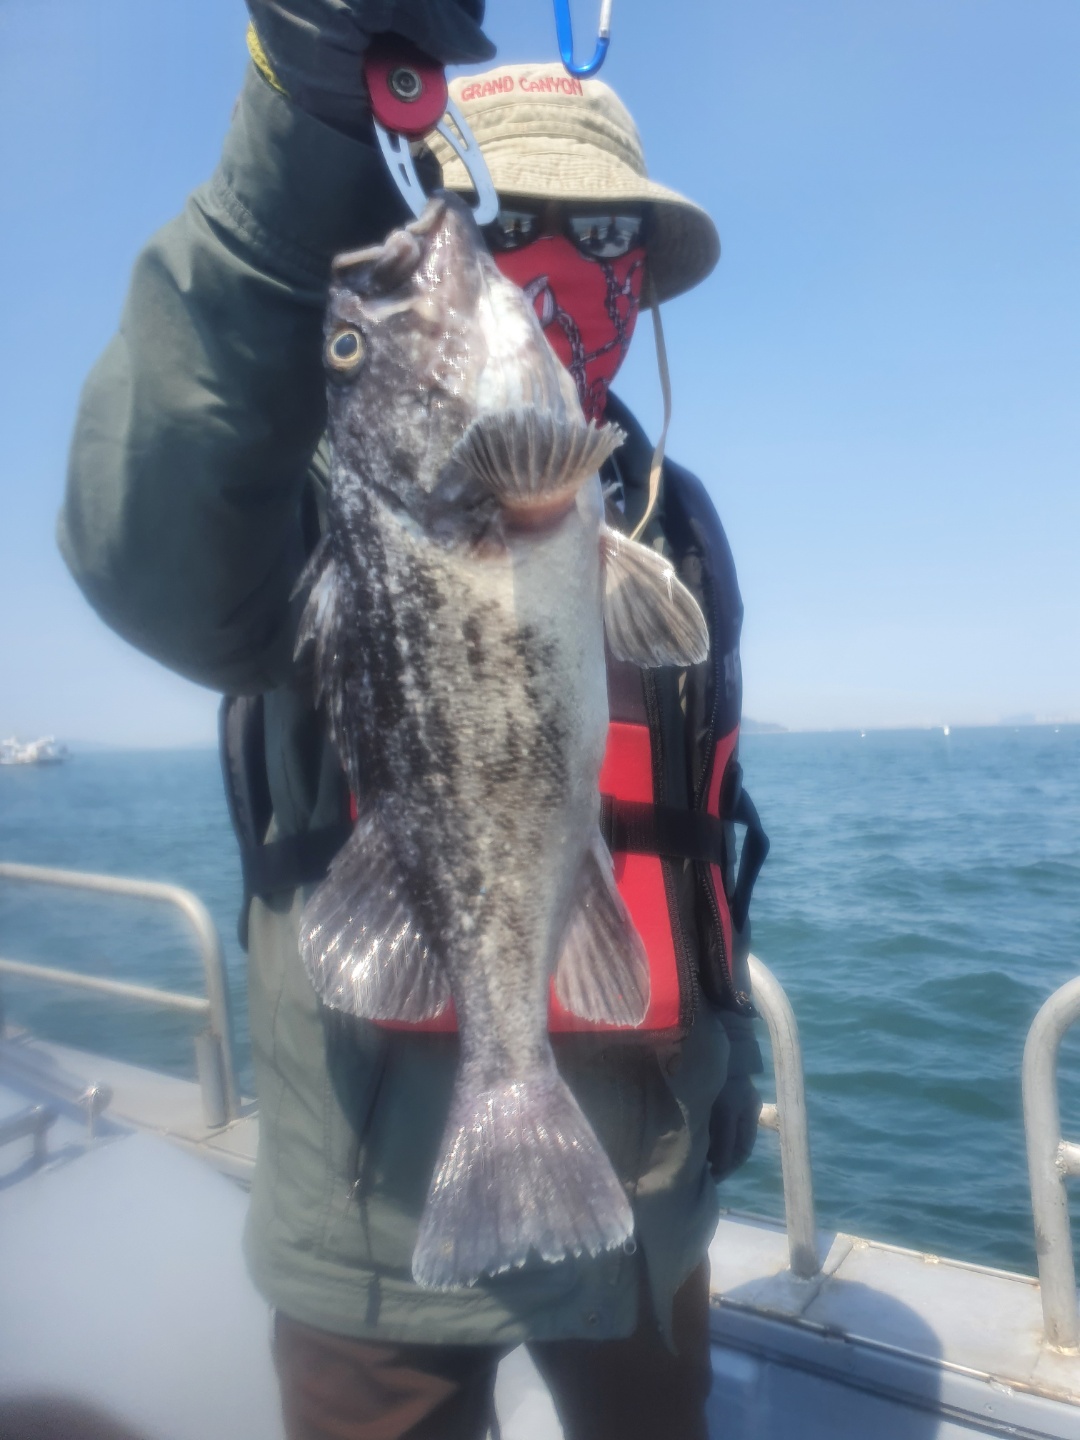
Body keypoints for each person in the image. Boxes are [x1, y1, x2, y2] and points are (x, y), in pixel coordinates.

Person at [59, 4, 766, 1437]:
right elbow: (148, 555)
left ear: (641, 279)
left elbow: (709, 841)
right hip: (374, 1234)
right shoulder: (321, 492)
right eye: (513, 220)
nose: (562, 259)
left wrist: (730, 1054)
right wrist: (297, 141)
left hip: (647, 1210)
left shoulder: (670, 520)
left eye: (607, 233)